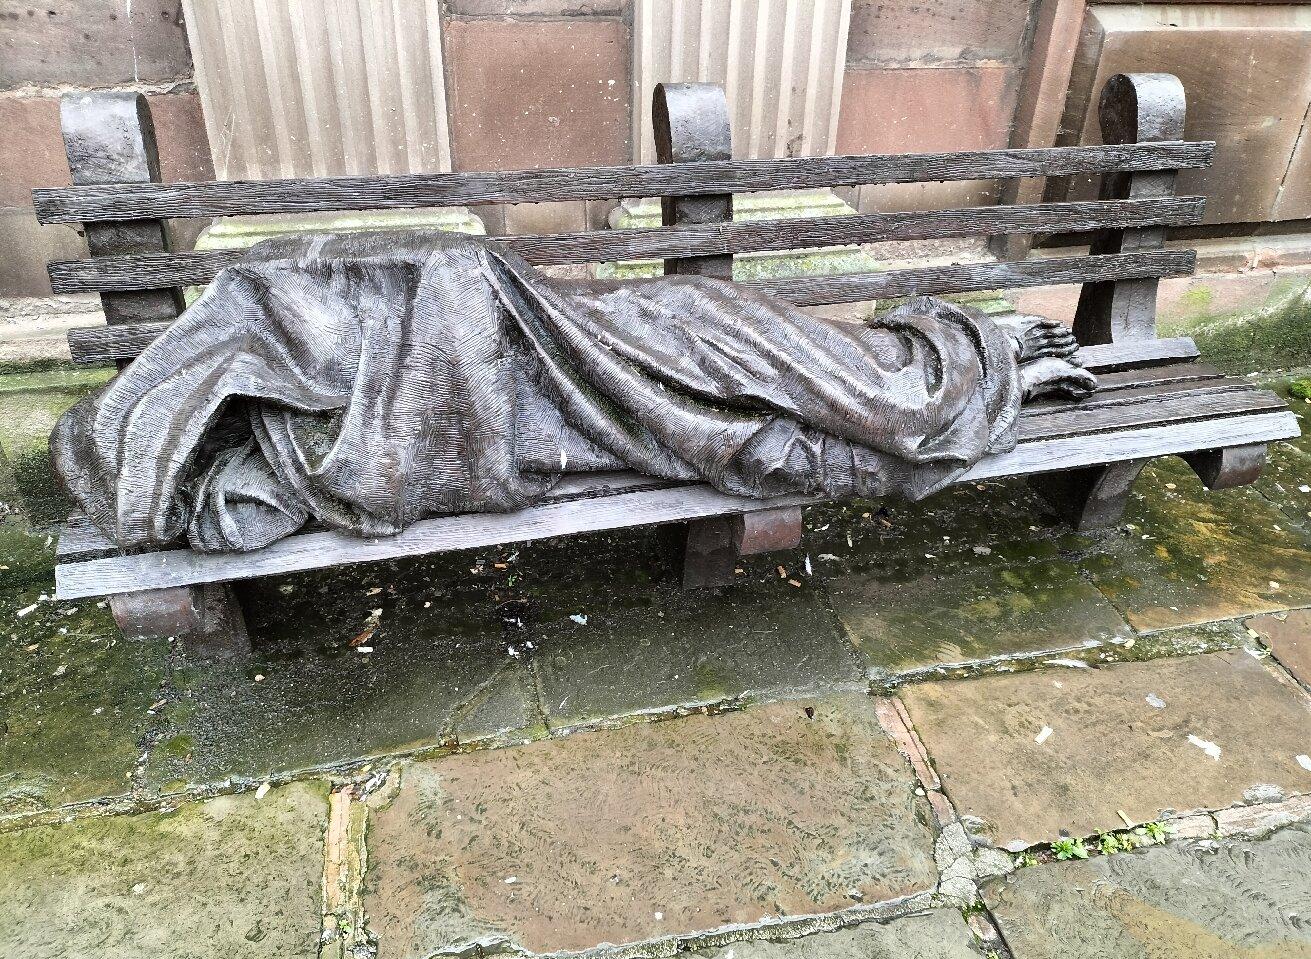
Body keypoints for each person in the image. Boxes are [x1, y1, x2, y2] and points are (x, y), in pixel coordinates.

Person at [52, 231, 1096, 553]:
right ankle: (970, 381)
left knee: (725, 349)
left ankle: (950, 374)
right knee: (741, 439)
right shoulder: (280, 467)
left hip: (576, 334)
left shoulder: (266, 314)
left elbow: (441, 278)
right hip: (549, 418)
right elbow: (384, 466)